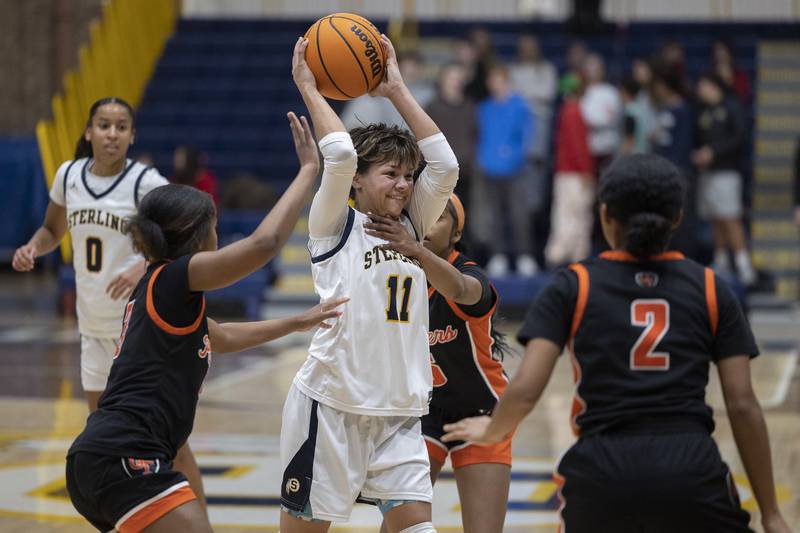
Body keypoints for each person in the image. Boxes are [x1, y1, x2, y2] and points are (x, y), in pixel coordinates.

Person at [441, 154, 791, 533]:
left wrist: (491, 432)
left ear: (605, 215)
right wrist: (770, 512)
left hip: (601, 470)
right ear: (676, 217)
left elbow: (525, 390)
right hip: (689, 468)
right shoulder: (710, 288)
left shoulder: (574, 285)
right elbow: (741, 404)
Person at [65, 111, 344, 532]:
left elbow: (222, 336)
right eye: (213, 225)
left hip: (104, 458)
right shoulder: (175, 277)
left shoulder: (160, 289)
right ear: (196, 237)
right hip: (124, 458)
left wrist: (297, 322)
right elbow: (264, 243)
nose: (219, 235)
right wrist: (308, 172)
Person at [280, 35, 458, 533]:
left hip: (399, 410)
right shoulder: (335, 224)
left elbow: (444, 166)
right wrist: (309, 89)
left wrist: (397, 90)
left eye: (407, 175)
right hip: (332, 405)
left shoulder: (415, 227)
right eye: (390, 173)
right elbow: (337, 156)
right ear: (359, 180)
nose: (403, 184)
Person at [12, 97, 210, 504]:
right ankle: (133, 515)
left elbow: (189, 230)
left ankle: (198, 517)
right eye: (104, 125)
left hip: (136, 332)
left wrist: (146, 266)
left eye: (121, 127)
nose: (112, 134)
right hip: (92, 327)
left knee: (165, 442)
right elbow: (52, 229)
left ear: (132, 136)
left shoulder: (145, 182)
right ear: (88, 132)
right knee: (105, 437)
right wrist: (33, 247)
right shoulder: (68, 176)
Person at [365, 194, 511, 533]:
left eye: (438, 217)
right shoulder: (393, 274)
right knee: (398, 529)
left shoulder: (469, 273)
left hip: (480, 410)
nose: (426, 223)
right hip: (422, 412)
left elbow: (461, 289)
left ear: (456, 233)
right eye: (419, 214)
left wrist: (417, 252)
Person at [693, 72, 755, 285]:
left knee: (730, 217)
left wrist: (714, 151)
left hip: (727, 171)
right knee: (716, 218)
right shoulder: (703, 111)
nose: (700, 91)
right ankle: (721, 262)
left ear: (713, 86)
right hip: (708, 173)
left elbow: (739, 137)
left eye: (703, 86)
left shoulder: (732, 106)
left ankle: (744, 264)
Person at [476, 63, 537, 276]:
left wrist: (514, 158)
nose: (495, 84)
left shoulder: (520, 106)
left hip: (515, 170)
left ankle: (524, 256)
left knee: (519, 214)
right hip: (490, 169)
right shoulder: (484, 108)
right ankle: (498, 255)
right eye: (492, 80)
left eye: (499, 79)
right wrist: (484, 160)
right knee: (493, 216)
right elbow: (481, 137)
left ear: (506, 81)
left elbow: (525, 137)